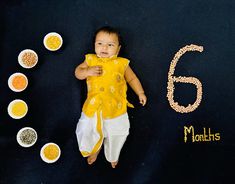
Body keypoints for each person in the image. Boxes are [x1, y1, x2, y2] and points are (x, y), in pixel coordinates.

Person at [75, 26, 147, 168]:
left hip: (116, 108)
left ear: (118, 49)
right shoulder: (90, 60)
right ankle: (95, 149)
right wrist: (87, 71)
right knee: (86, 130)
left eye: (110, 45)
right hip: (94, 107)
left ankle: (113, 154)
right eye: (100, 43)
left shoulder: (121, 63)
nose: (104, 48)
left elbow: (132, 79)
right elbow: (78, 73)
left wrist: (140, 92)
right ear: (94, 45)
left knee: (118, 133)